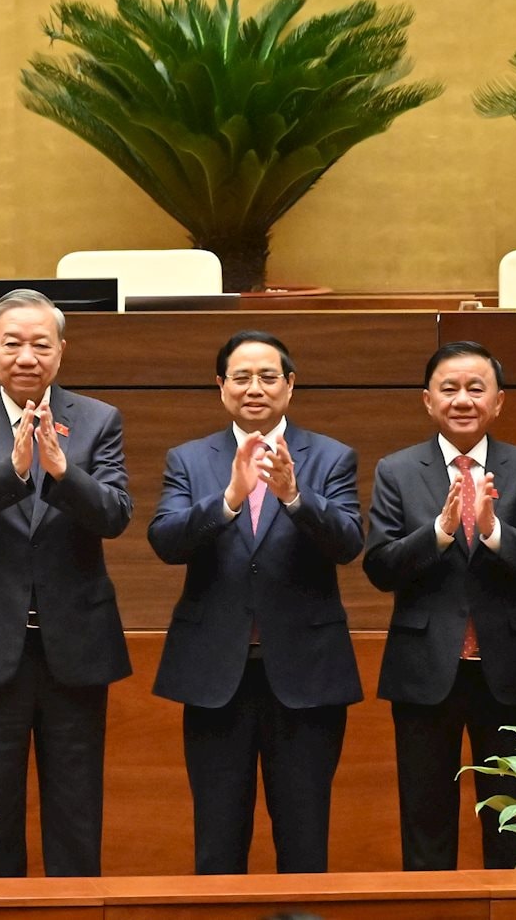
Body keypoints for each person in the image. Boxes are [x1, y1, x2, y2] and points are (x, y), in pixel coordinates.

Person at [0, 287, 132, 879]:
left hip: (76, 645)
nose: (27, 356)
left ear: (61, 352)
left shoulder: (98, 420)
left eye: (41, 344)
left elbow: (116, 514)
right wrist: (13, 471)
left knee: (76, 810)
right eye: (12, 343)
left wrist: (64, 472)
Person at [149, 328, 364, 875]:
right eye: (241, 377)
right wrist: (228, 500)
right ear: (221, 386)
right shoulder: (189, 458)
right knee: (218, 842)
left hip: (306, 675)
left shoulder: (332, 457)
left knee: (304, 838)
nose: (254, 388)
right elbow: (166, 541)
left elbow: (347, 543)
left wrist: (294, 495)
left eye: (268, 377)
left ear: (290, 386)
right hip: (215, 675)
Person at [363, 341, 516, 869]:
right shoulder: (397, 469)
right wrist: (439, 532)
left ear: (498, 402)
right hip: (424, 668)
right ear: (427, 400)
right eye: (449, 388)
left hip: (507, 668)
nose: (462, 399)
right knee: (425, 816)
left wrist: (496, 532)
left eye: (476, 388)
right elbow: (379, 567)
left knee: (512, 817)